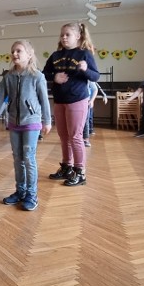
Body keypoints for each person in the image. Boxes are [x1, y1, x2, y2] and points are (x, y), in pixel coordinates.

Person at [0, 40, 51, 211]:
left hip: (32, 123)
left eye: (19, 51)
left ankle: (31, 195)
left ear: (29, 54)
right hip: (14, 123)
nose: (14, 54)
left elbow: (44, 101)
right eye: (12, 51)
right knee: (17, 158)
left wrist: (47, 121)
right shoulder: (8, 77)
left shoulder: (37, 76)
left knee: (28, 158)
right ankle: (20, 191)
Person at [42, 22, 100, 187]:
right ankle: (67, 167)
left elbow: (96, 77)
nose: (64, 37)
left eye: (67, 34)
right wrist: (54, 77)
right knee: (63, 136)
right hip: (59, 100)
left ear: (78, 36)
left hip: (77, 99)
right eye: (62, 35)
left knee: (75, 136)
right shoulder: (55, 55)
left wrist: (85, 70)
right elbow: (43, 74)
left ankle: (80, 172)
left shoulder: (85, 54)